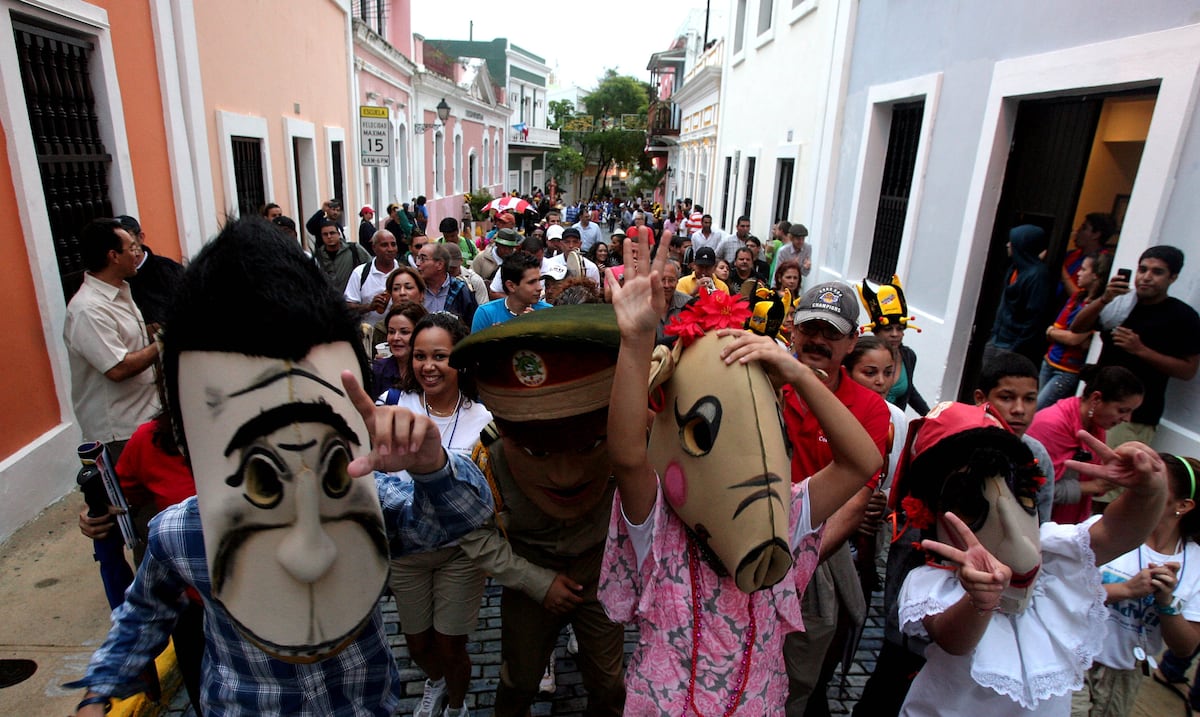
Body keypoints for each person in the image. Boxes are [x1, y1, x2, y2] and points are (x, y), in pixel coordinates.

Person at [67, 218, 494, 717]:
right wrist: (99, 691)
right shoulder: (182, 532)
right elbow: (143, 614)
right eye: (263, 476)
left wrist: (431, 466)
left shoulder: (371, 499)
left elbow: (464, 517)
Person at [600, 228, 882, 714]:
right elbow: (626, 455)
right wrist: (635, 341)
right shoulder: (660, 523)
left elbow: (861, 463)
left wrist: (797, 373)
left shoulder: (783, 516)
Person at [892, 402, 1167, 716]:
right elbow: (953, 640)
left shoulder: (1053, 551)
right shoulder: (932, 581)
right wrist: (979, 601)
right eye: (970, 507)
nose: (1012, 530)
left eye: (1020, 494)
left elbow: (1118, 533)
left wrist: (1149, 491)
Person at [454, 305, 628, 717]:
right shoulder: (491, 456)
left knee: (610, 685)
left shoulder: (623, 440)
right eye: (537, 451)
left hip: (600, 574)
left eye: (586, 446)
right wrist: (536, 582)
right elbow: (473, 533)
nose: (565, 474)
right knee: (519, 681)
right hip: (530, 576)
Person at [780, 282, 892, 716]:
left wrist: (795, 560)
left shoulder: (870, 408)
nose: (818, 340)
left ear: (851, 341)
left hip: (818, 551)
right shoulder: (762, 382)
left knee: (801, 669)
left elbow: (856, 501)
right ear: (793, 330)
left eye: (832, 332)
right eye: (811, 328)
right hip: (746, 542)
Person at [377, 312, 492, 717]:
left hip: (461, 551)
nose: (428, 366)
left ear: (460, 360)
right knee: (418, 644)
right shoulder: (394, 405)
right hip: (405, 550)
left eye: (440, 356)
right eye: (420, 356)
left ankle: (457, 705)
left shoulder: (485, 418)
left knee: (450, 644)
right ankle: (436, 680)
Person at [64, 218, 162, 607]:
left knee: (154, 518)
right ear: (112, 256)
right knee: (142, 526)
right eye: (131, 248)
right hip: (119, 434)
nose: (138, 253)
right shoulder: (88, 309)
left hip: (143, 422)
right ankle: (151, 607)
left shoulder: (121, 292)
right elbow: (118, 368)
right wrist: (162, 343)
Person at [1071, 453, 1200, 717]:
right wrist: (1125, 590)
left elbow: (1185, 647)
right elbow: (1059, 590)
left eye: (1155, 483)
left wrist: (1167, 604)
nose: (1141, 487)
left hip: (1125, 674)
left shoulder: (1195, 563)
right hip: (1072, 656)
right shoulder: (1102, 529)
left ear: (1183, 505)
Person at [1071, 245, 1200, 446]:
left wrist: (1141, 350)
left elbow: (1188, 370)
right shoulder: (1122, 303)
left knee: (1108, 464)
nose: (1146, 277)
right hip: (1093, 403)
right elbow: (1077, 327)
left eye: (1157, 272)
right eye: (1142, 269)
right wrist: (1104, 299)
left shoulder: (1183, 316)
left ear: (1173, 277)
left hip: (1133, 417)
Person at [1028, 366, 1144, 525]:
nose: (1127, 419)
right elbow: (1036, 489)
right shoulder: (1051, 425)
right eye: (1122, 410)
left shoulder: (1096, 426)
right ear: (1096, 399)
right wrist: (1095, 485)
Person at [1039, 252, 1112, 409]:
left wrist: (1052, 332)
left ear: (1095, 276)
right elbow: (1058, 328)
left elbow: (1073, 339)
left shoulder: (1096, 308)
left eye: (1083, 269)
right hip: (1050, 360)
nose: (1078, 273)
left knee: (1038, 410)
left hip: (1067, 371)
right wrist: (1054, 333)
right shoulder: (1077, 297)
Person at [859, 277, 930, 415]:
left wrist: (930, 416)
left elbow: (910, 391)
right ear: (875, 331)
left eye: (900, 329)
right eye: (888, 329)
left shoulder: (908, 356)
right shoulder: (860, 353)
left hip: (893, 424)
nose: (895, 334)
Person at [985, 224, 1052, 364]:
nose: (1008, 245)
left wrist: (1016, 348)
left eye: (1012, 242)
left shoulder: (1037, 276)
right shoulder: (1015, 269)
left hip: (1011, 345)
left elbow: (1034, 317)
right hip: (997, 339)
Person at [115, 215, 184, 331]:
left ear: (140, 237)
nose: (123, 249)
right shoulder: (115, 279)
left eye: (129, 244)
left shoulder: (169, 270)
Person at [472, 252, 551, 332]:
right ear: (511, 286)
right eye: (531, 282)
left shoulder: (548, 312)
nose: (539, 288)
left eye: (539, 280)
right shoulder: (486, 314)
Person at [370, 301, 428, 397]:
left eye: (404, 332)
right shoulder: (378, 370)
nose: (395, 338)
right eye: (391, 332)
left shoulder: (430, 371)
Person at [345, 230, 400, 328]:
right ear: (374, 247)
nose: (390, 249)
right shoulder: (360, 273)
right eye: (384, 245)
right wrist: (369, 307)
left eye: (393, 244)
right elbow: (348, 307)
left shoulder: (404, 273)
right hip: (368, 333)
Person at [417, 243, 477, 326]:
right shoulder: (416, 289)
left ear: (439, 264)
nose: (417, 263)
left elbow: (472, 324)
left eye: (423, 259)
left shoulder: (460, 290)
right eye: (418, 258)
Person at [1059, 213, 1115, 298]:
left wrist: (1062, 271)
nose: (1078, 231)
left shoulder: (1102, 262)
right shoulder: (1072, 254)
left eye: (1084, 228)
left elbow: (1081, 297)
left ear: (1096, 235)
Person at [315, 219, 371, 292]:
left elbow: (370, 267)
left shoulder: (354, 249)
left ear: (339, 234)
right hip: (329, 296)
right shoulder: (318, 255)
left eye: (332, 233)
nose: (329, 236)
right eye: (325, 234)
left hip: (353, 296)